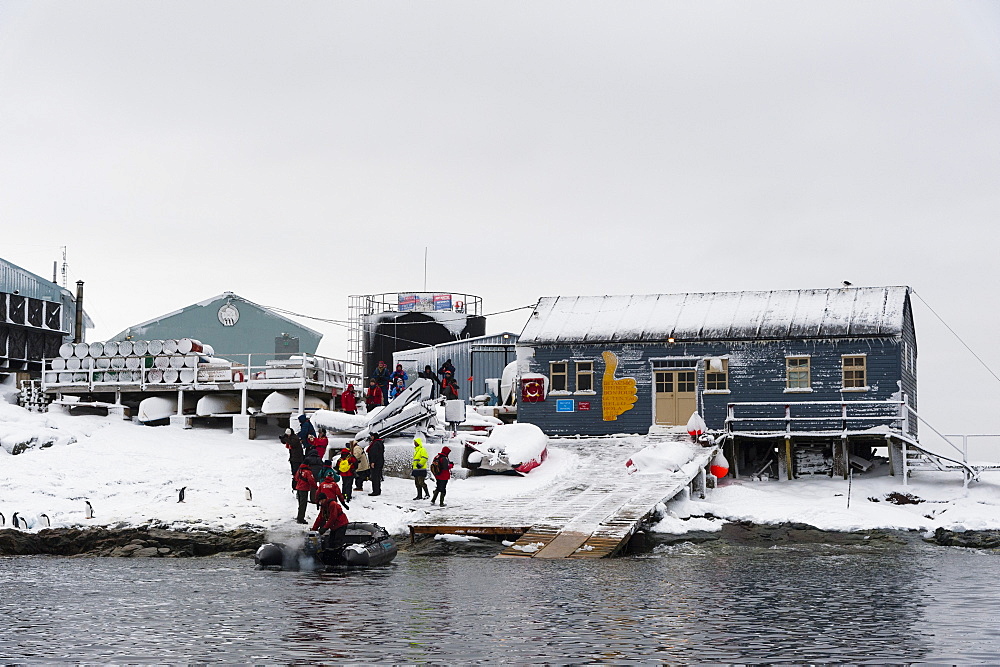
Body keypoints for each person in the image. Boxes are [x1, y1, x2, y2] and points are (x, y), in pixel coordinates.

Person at [367, 432, 385, 496]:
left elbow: (374, 453)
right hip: (380, 462)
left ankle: (375, 491)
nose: (371, 437)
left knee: (375, 477)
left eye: (372, 436)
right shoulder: (380, 442)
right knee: (378, 476)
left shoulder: (375, 444)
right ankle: (378, 490)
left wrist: (373, 462)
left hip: (376, 463)